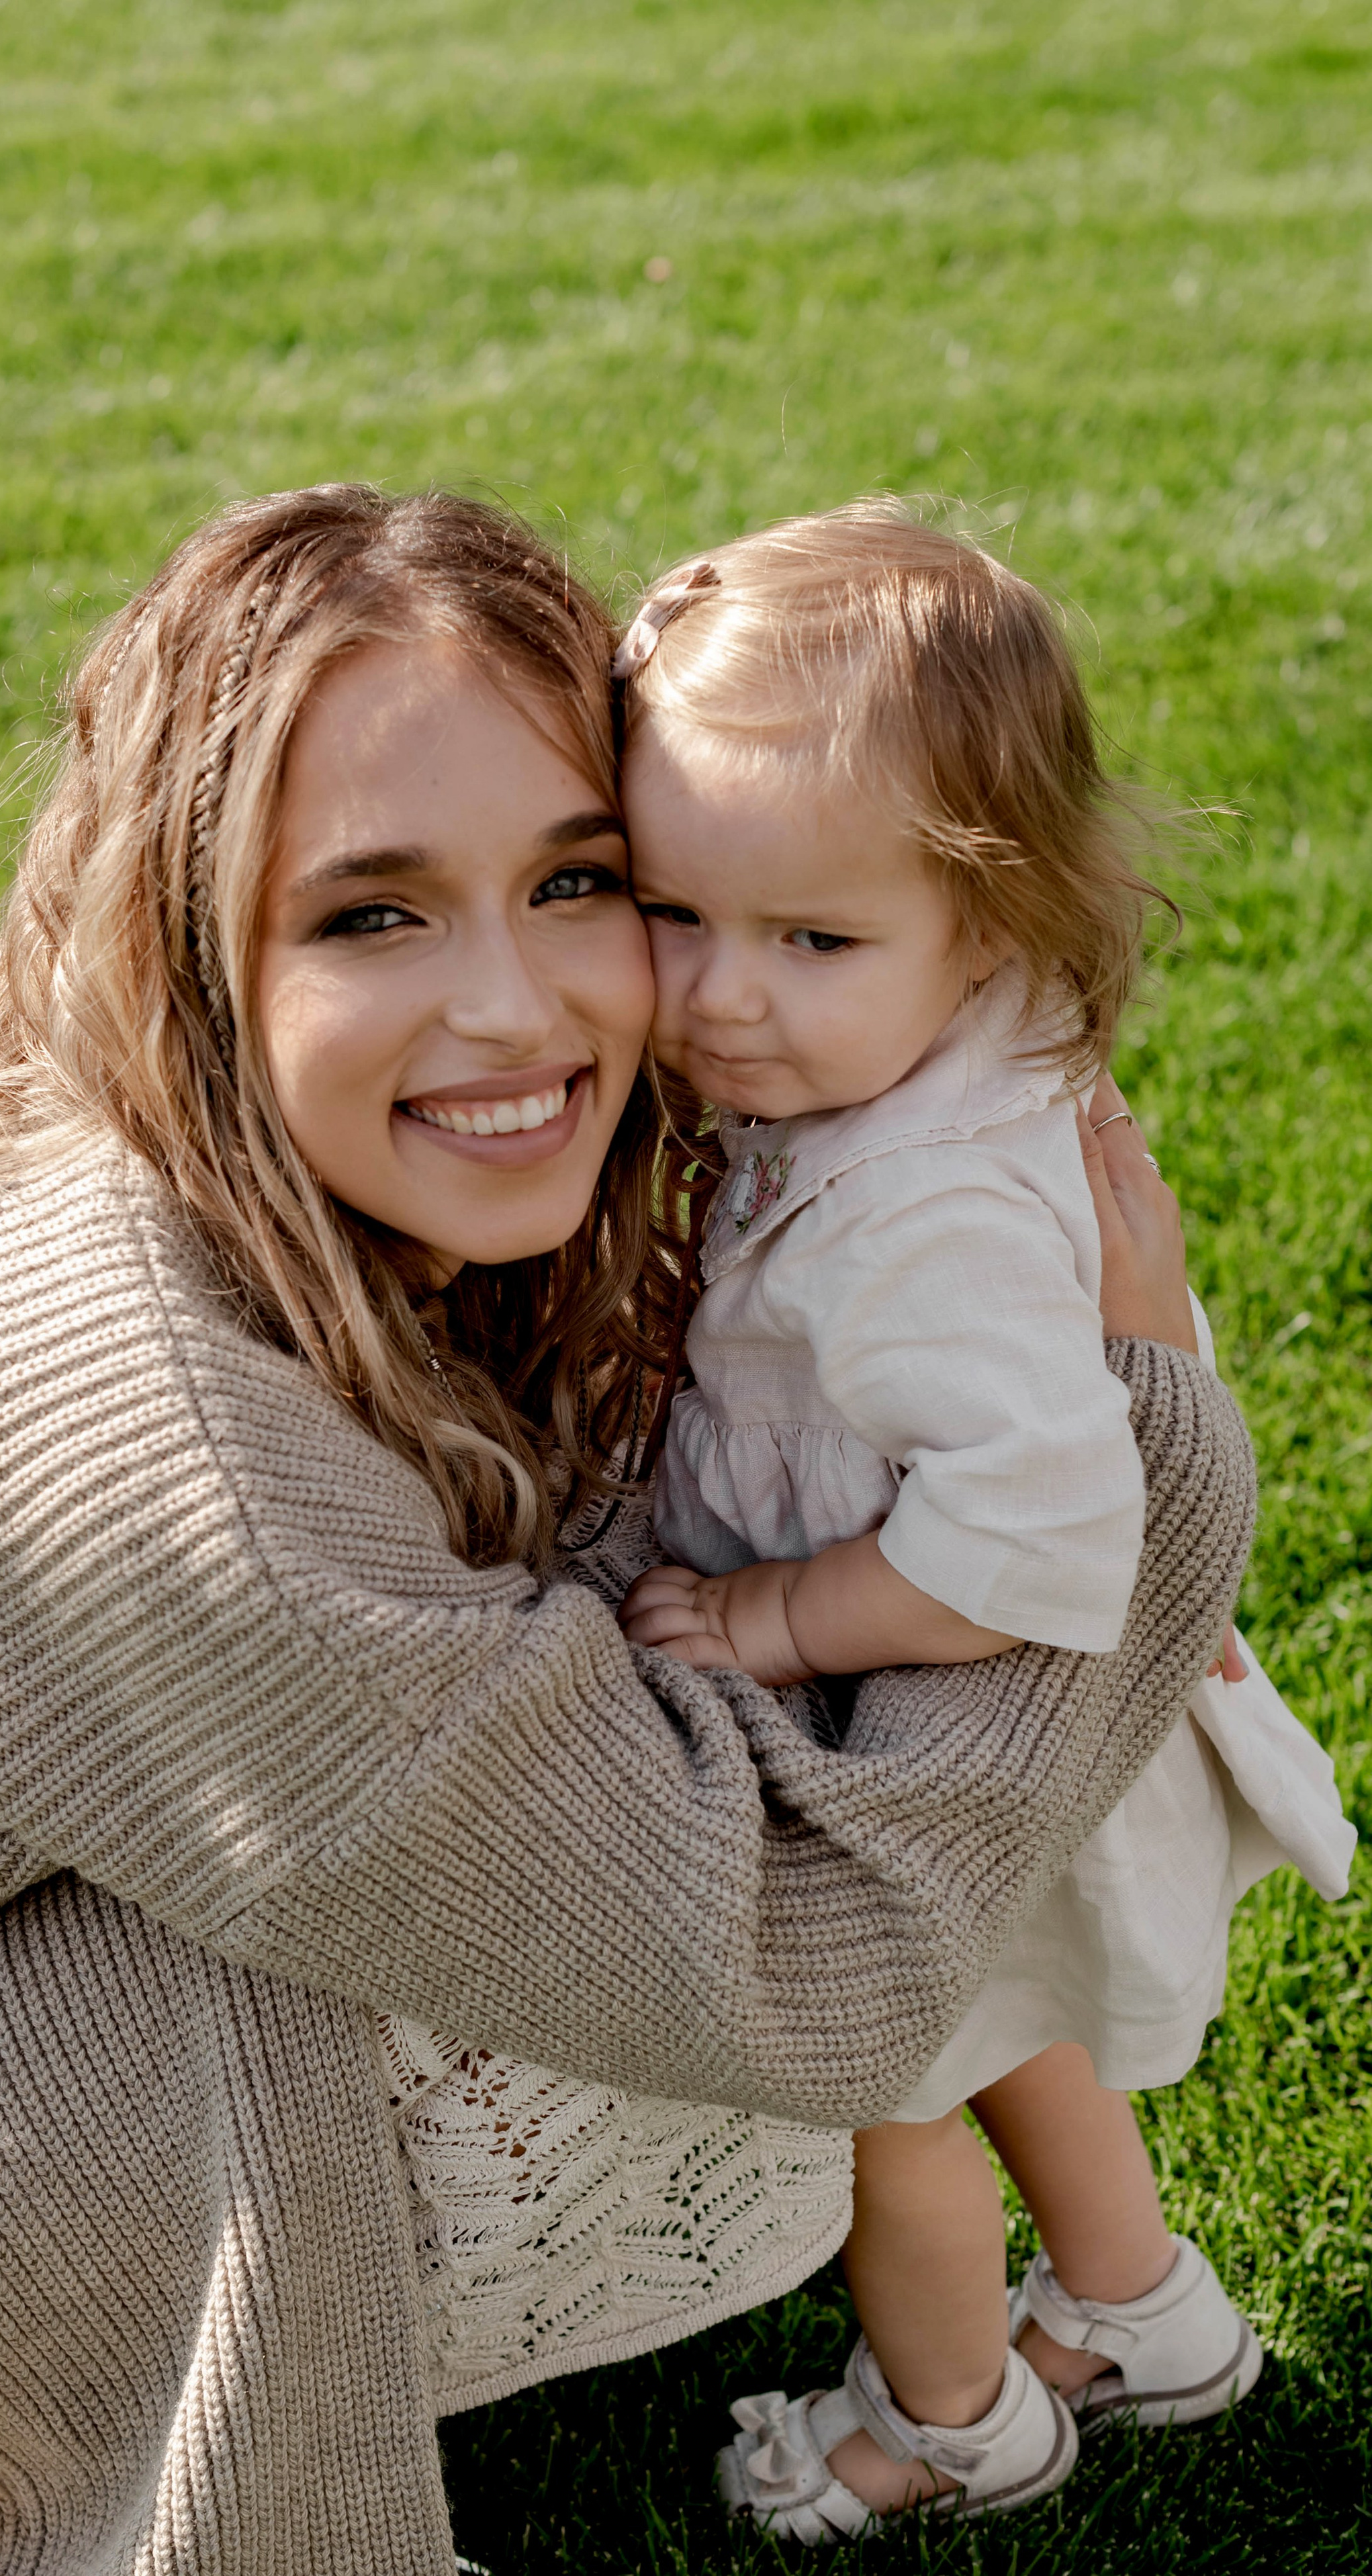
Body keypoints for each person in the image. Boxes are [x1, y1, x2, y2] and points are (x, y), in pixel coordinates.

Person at [0, 485, 1254, 2576]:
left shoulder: (139, 1117)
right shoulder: (156, 1432)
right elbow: (811, 1979)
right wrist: (1147, 1484)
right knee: (686, 1981)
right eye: (372, 913)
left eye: (580, 880)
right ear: (188, 923)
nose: (517, 1010)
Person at [614, 504, 1355, 2544]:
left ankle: (949, 2419)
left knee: (895, 2092)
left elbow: (1023, 1542)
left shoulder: (923, 1215)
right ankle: (1142, 2311)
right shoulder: (943, 1074)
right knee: (1021, 2027)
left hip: (956, 1721)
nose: (720, 1001)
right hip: (1019, 1738)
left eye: (811, 941)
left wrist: (765, 1621)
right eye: (677, 913)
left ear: (996, 924)